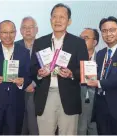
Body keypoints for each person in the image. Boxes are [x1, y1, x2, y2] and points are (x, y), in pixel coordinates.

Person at [30, 3, 88, 135]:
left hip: (69, 96)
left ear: (69, 21)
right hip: (45, 95)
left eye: (62, 17)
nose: (58, 20)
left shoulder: (78, 43)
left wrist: (71, 73)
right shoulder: (40, 42)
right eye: (54, 17)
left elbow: (84, 70)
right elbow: (32, 68)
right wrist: (39, 73)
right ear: (50, 20)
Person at [0, 20, 31, 135]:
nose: (8, 36)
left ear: (16, 33)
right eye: (4, 32)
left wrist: (22, 82)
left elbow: (28, 74)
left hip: (15, 104)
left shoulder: (24, 52)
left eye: (11, 32)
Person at [15, 16, 39, 135]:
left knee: (34, 127)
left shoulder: (44, 46)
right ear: (20, 30)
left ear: (37, 30)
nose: (28, 30)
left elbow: (48, 69)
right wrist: (24, 84)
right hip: (17, 90)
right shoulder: (14, 46)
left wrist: (33, 83)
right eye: (24, 27)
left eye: (31, 27)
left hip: (37, 91)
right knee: (19, 127)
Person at [78, 28, 99, 135]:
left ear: (95, 42)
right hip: (78, 102)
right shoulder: (74, 58)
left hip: (96, 103)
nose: (81, 41)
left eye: (85, 38)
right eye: (80, 38)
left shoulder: (102, 57)